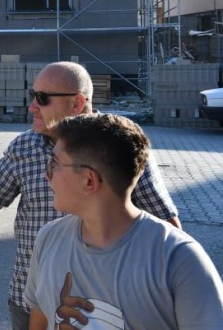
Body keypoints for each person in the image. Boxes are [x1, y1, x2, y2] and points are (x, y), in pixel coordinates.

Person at [0, 61, 179, 329]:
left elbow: (166, 225)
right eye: (33, 95)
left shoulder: (119, 143)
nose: (32, 106)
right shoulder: (25, 146)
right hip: (30, 298)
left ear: (77, 103)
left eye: (42, 98)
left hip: (107, 306)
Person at [25, 113, 223, 329]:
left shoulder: (179, 259)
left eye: (54, 163)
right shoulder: (49, 238)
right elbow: (39, 318)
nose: (47, 175)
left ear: (89, 180)